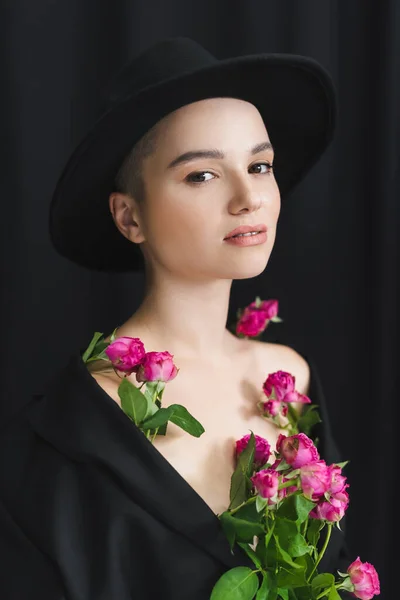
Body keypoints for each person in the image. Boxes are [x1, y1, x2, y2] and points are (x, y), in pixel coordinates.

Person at [0, 37, 351, 599]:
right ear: (129, 216)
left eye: (259, 166)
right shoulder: (67, 433)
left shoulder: (290, 382)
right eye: (202, 176)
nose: (248, 197)